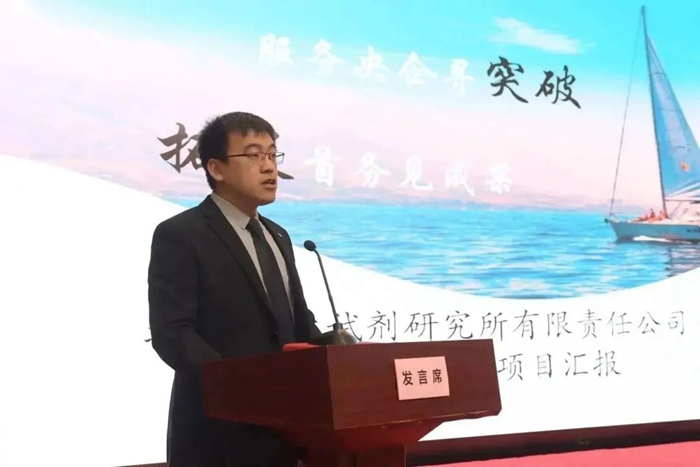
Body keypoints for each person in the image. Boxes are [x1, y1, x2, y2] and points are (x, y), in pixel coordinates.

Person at [148, 111, 321, 467]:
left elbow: (296, 322)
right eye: (254, 155)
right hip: (218, 435)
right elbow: (173, 333)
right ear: (216, 168)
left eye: (272, 154)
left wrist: (343, 356)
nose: (269, 167)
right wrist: (243, 388)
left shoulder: (278, 235)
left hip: (289, 433)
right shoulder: (181, 235)